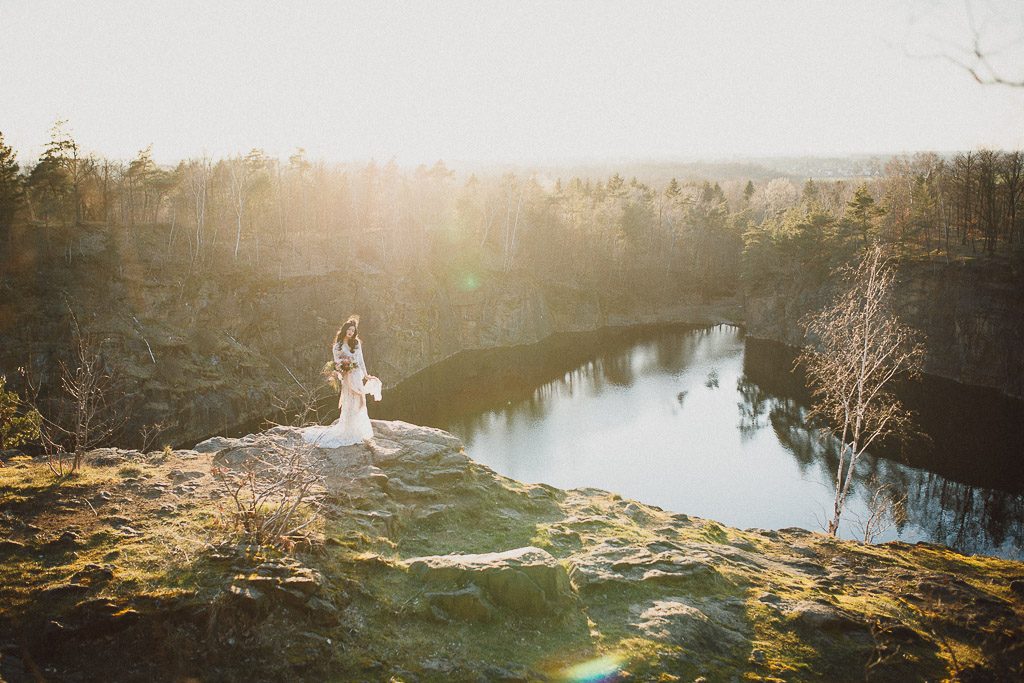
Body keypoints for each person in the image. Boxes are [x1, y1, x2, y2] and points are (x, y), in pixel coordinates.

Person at [301, 316, 382, 447]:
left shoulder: (356, 343)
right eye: (349, 330)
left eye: (353, 330)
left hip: (356, 375)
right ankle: (348, 429)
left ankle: (359, 430)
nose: (351, 332)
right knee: (349, 401)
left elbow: (361, 360)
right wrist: (343, 368)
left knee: (359, 400)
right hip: (347, 377)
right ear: (344, 330)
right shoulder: (337, 346)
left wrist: (366, 375)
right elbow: (336, 362)